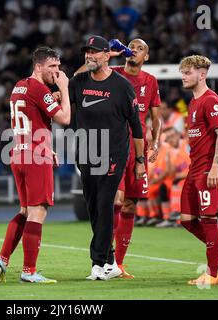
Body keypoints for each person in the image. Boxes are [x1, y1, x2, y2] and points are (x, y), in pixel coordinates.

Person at [75, 38, 162, 277]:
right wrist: (104, 56)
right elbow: (77, 80)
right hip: (109, 146)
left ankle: (116, 263)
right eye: (131, 46)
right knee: (112, 202)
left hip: (135, 148)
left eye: (140, 48)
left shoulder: (149, 82)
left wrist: (153, 144)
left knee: (129, 204)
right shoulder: (109, 72)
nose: (133, 50)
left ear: (147, 56)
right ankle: (107, 259)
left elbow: (153, 118)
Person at [0, 46, 70, 284]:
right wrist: (63, 90)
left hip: (19, 154)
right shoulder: (39, 88)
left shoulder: (20, 85)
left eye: (58, 67)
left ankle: (2, 261)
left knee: (25, 211)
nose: (57, 72)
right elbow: (65, 119)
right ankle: (29, 270)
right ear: (38, 66)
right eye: (52, 67)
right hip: (36, 157)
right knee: (38, 212)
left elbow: (33, 115)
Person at [179, 55, 218, 286]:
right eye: (182, 73)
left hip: (209, 169)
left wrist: (215, 166)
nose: (183, 77)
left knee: (208, 220)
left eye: (188, 72)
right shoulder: (194, 102)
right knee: (187, 219)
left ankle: (212, 273)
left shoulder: (210, 100)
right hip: (195, 168)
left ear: (202, 75)